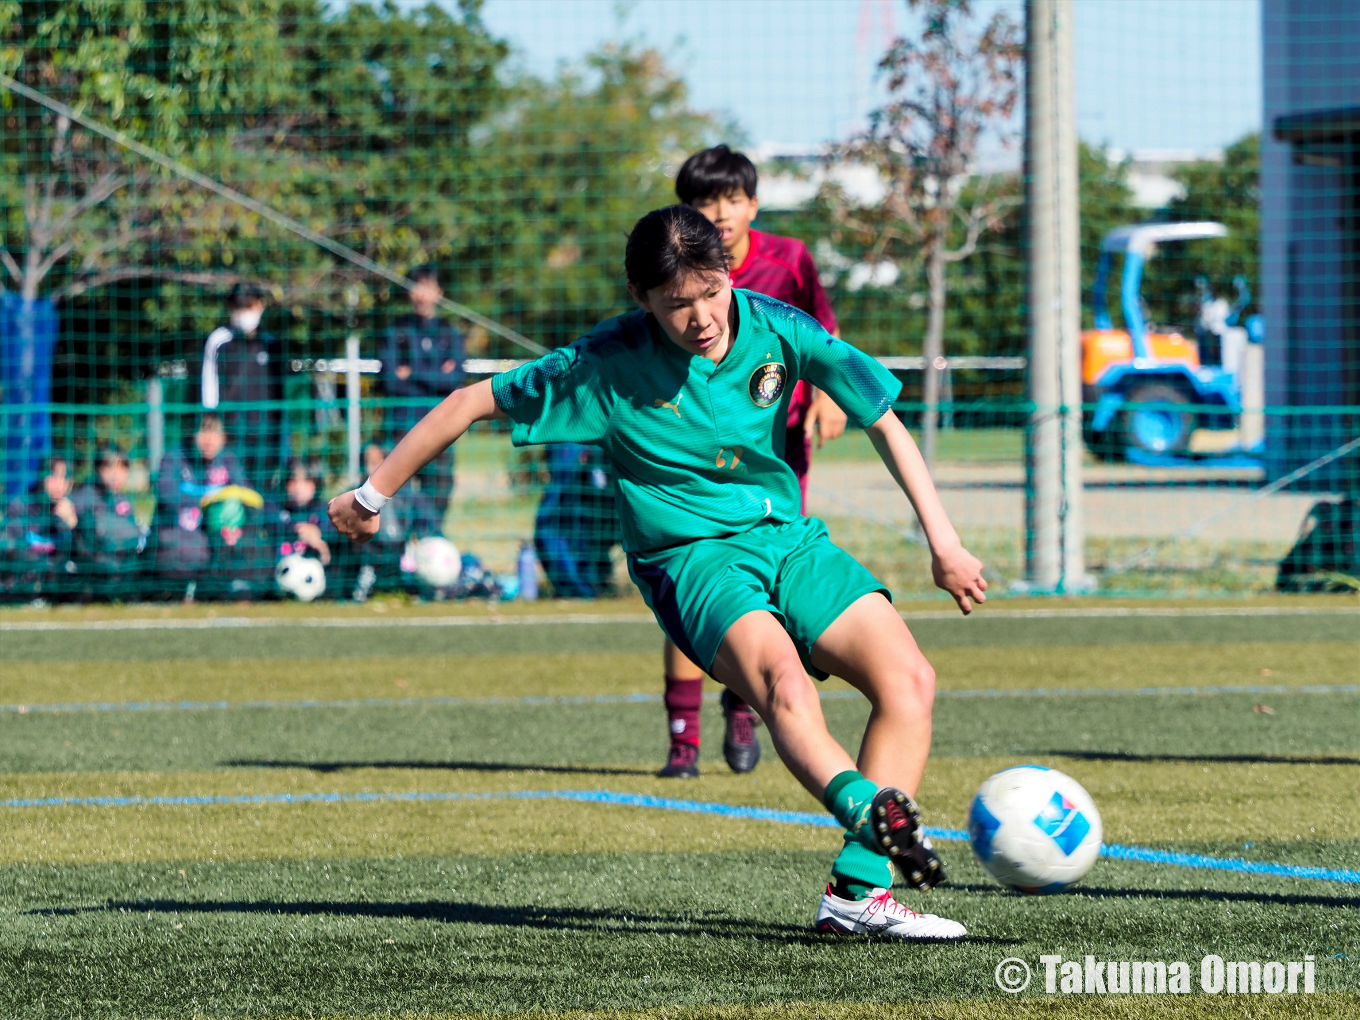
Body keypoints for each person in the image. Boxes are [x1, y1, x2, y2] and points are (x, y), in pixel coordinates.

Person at [329, 206, 986, 939]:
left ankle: (857, 893)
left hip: (787, 538)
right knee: (782, 684)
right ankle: (871, 814)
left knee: (910, 680)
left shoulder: (779, 327)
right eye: (678, 304)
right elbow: (466, 402)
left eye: (712, 292)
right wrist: (368, 496)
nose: (702, 317)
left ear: (729, 273)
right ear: (643, 299)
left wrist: (945, 543)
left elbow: (882, 418)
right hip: (690, 559)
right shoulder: (605, 362)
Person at [659, 144, 851, 778]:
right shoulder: (671, 265)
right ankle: (682, 744)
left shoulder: (789, 259)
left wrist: (826, 397)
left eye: (732, 200)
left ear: (754, 205)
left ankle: (743, 705)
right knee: (692, 583)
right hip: (692, 456)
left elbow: (822, 336)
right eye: (705, 201)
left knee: (764, 578)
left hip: (773, 450)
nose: (720, 212)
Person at [379, 265, 465, 520]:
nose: (422, 294)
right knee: (396, 489)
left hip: (441, 424)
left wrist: (412, 372)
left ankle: (432, 539)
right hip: (401, 424)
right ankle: (401, 547)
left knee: (438, 488)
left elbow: (455, 380)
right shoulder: (395, 333)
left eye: (428, 286)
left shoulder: (450, 333)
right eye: (417, 286)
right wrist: (436, 374)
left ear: (439, 292)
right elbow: (391, 381)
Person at [201, 282, 286, 493]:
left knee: (264, 490)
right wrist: (213, 423)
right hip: (232, 434)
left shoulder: (272, 344)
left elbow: (280, 393)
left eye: (249, 306)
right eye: (240, 307)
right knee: (233, 489)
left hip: (266, 433)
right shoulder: (218, 341)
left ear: (260, 306)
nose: (245, 313)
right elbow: (208, 389)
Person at [154, 414, 248, 591]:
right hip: (179, 533)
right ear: (192, 434)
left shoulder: (228, 460)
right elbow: (165, 494)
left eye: (215, 433)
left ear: (223, 438)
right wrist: (205, 501)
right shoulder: (173, 458)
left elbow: (247, 493)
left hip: (218, 533)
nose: (208, 440)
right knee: (186, 550)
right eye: (203, 432)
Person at [1, 455, 79, 600]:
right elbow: (10, 549)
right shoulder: (20, 507)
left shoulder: (73, 509)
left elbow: (84, 556)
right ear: (41, 477)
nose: (59, 484)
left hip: (57, 583)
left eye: (65, 478)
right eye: (53, 477)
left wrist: (73, 525)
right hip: (23, 583)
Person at [71, 448, 145, 596]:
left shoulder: (122, 498)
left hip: (123, 562)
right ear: (98, 469)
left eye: (121, 467)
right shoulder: (83, 497)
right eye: (109, 467)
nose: (115, 474)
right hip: (93, 564)